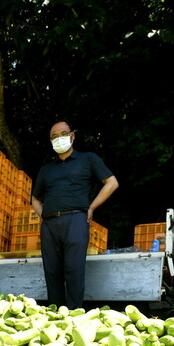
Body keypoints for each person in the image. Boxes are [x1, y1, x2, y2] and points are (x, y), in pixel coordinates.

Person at [31, 120, 119, 309]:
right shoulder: (47, 169)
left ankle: (74, 314)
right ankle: (55, 314)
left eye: (63, 134)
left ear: (72, 135)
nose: (59, 139)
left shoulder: (88, 159)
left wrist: (91, 207)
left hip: (76, 219)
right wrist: (44, 216)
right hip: (50, 224)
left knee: (74, 269)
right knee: (52, 271)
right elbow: (35, 199)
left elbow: (112, 183)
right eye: (54, 136)